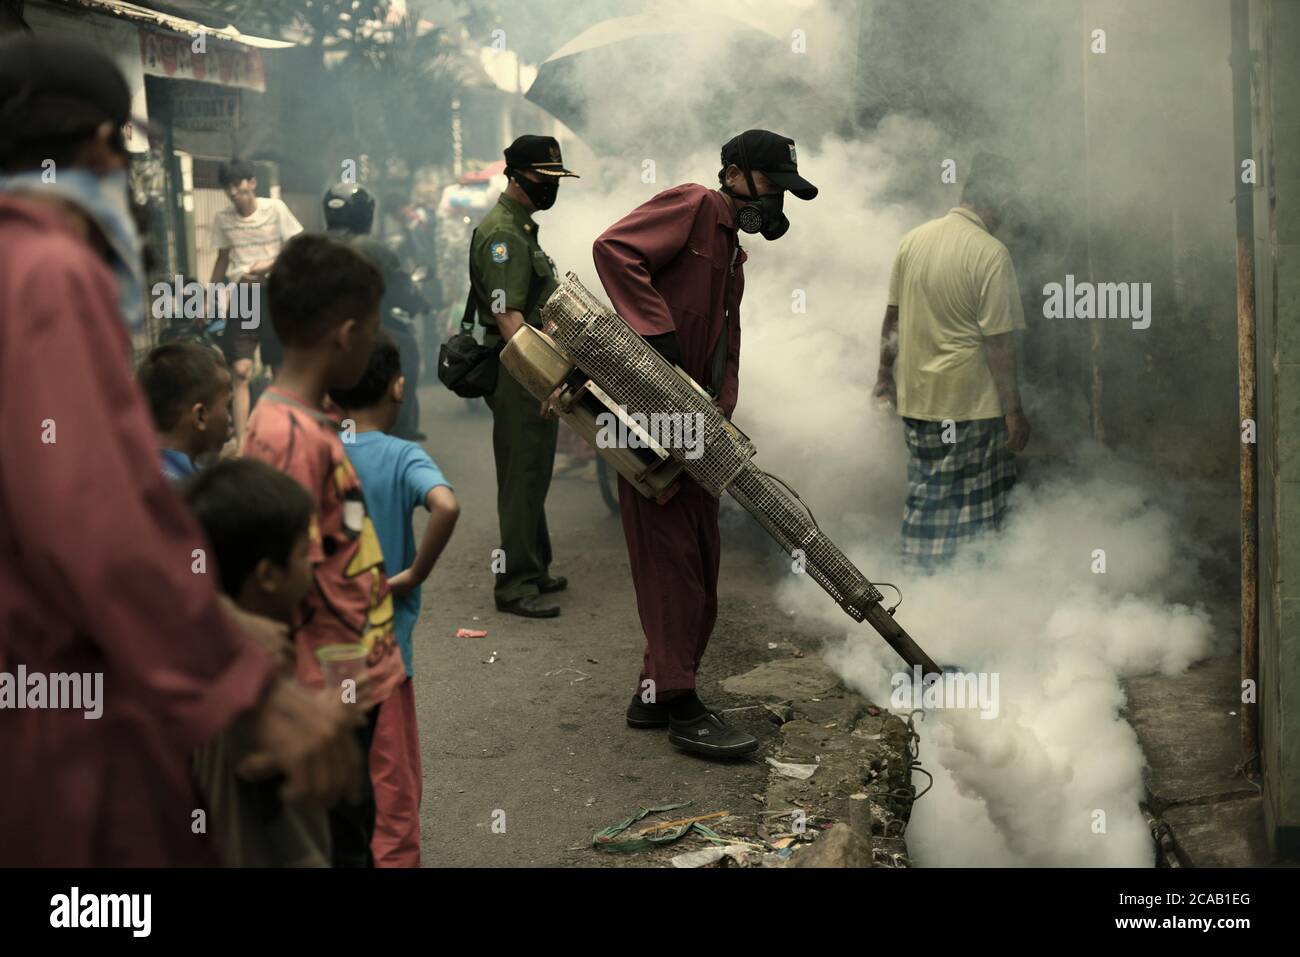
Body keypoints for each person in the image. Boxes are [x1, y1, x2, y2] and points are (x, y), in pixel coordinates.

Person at [0, 34, 360, 866]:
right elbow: (94, 522)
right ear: (99, 145)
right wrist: (243, 684)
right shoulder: (48, 269)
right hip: (62, 724)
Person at [592, 129, 817, 759]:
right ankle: (682, 706)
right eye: (772, 187)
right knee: (672, 562)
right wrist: (655, 336)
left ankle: (653, 694)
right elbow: (613, 248)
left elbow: (724, 340)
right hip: (650, 415)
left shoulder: (732, 248)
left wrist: (719, 409)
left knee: (698, 557)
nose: (776, 203)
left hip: (695, 423)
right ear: (736, 174)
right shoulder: (694, 205)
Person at [242, 232, 408, 867]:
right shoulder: (287, 437)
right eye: (370, 326)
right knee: (343, 843)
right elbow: (276, 581)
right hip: (324, 689)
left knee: (355, 832)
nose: (373, 339)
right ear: (346, 333)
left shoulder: (308, 420)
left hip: (349, 680)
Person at [329, 331, 460, 866]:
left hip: (324, 653)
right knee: (394, 788)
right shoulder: (404, 454)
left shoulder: (319, 451)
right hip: (386, 655)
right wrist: (410, 575)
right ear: (399, 387)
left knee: (338, 785)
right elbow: (445, 507)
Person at [872, 152, 1029, 571]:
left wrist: (884, 380)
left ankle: (921, 589)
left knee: (929, 497)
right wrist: (1014, 412)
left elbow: (893, 320)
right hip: (970, 405)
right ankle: (965, 593)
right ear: (996, 202)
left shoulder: (913, 240)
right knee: (976, 512)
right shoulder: (991, 254)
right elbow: (999, 344)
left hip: (918, 401)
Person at [185, 458, 333, 867]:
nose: (314, 563)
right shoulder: (256, 670)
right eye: (305, 551)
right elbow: (266, 790)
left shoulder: (210, 657)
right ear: (268, 575)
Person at [469, 134, 577, 618]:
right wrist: (545, 380)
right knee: (521, 473)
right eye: (543, 179)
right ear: (515, 175)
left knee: (532, 469)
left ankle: (534, 566)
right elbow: (508, 318)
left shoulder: (519, 226)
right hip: (517, 371)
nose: (550, 188)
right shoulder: (504, 234)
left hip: (525, 366)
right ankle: (513, 585)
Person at [323, 182, 430, 441]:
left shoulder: (311, 246)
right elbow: (405, 295)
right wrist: (420, 303)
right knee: (407, 352)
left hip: (319, 338)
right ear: (365, 214)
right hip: (371, 332)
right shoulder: (375, 250)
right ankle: (402, 430)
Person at [210, 157, 304, 446]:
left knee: (279, 368)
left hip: (276, 293)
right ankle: (241, 445)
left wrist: (269, 264)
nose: (233, 191)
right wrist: (209, 296)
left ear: (251, 182)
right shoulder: (223, 219)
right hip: (244, 295)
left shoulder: (274, 209)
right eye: (227, 186)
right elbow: (222, 259)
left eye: (237, 183)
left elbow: (296, 246)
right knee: (240, 371)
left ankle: (283, 439)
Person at [137, 340, 233, 482]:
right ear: (200, 416)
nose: (230, 419)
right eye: (228, 406)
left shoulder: (132, 468)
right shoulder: (181, 495)